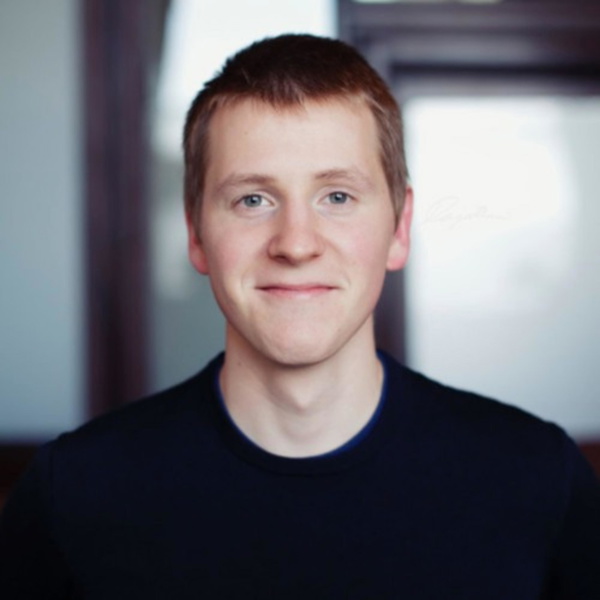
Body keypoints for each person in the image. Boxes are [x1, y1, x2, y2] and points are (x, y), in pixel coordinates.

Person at [0, 34, 598, 599]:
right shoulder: (71, 495)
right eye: (252, 199)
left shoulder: (541, 482)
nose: (295, 243)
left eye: (337, 196)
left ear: (399, 228)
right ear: (196, 233)